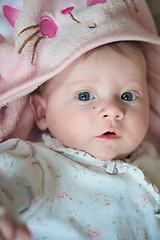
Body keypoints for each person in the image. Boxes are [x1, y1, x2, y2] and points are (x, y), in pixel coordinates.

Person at [0, 41, 160, 240]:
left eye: (128, 96)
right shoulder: (34, 163)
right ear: (42, 112)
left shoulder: (152, 161)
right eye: (84, 96)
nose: (113, 110)